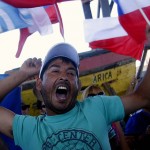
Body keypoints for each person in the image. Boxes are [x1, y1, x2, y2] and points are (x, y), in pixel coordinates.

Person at [0, 25, 150, 149]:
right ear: (39, 83)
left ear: (78, 86)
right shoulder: (30, 129)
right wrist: (22, 74)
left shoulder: (99, 107)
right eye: (55, 70)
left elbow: (143, 97)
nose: (64, 76)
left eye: (71, 73)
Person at [82, 84, 130, 150]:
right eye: (91, 96)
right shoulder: (84, 122)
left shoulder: (113, 117)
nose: (97, 98)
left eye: (100, 94)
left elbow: (122, 138)